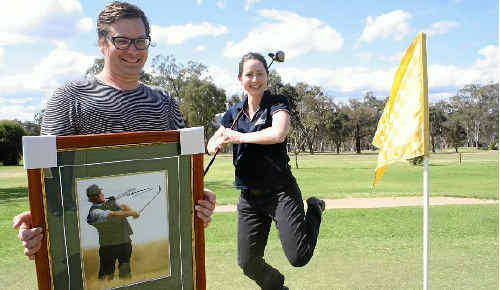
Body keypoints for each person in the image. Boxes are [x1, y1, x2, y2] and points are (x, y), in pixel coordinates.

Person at [12, 1, 216, 261]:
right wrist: (40, 218)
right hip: (88, 249)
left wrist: (197, 201)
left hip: (154, 248)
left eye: (140, 41)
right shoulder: (68, 98)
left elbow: (182, 176)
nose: (133, 50)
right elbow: (48, 179)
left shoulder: (164, 102)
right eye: (122, 41)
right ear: (101, 42)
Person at [206, 52, 325, 290]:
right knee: (248, 262)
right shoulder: (234, 113)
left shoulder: (277, 103)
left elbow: (278, 133)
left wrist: (239, 137)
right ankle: (276, 287)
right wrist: (215, 144)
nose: (255, 79)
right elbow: (211, 144)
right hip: (249, 197)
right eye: (249, 74)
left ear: (267, 77)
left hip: (280, 191)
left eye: (260, 73)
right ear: (240, 79)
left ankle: (315, 208)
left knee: (299, 257)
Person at [86, 184, 139, 280]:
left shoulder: (111, 202)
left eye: (99, 193)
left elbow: (123, 207)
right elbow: (113, 214)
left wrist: (131, 211)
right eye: (96, 195)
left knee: (125, 272)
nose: (100, 195)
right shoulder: (94, 212)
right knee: (106, 275)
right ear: (92, 199)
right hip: (108, 246)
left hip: (124, 242)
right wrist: (132, 213)